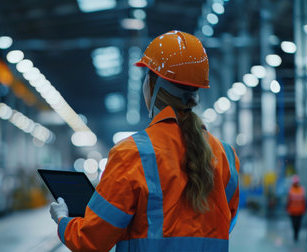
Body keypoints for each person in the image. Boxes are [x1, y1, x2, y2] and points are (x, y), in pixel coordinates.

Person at [50, 30, 240, 251]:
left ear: (153, 85)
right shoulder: (226, 155)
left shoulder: (131, 154)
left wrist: (63, 221)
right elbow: (225, 223)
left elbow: (91, 240)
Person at [286, 174, 306, 242]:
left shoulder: (301, 189)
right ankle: (295, 235)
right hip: (293, 211)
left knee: (297, 224)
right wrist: (287, 207)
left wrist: (305, 208)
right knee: (295, 224)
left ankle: (296, 235)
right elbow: (289, 200)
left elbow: (303, 200)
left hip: (299, 210)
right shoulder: (291, 190)